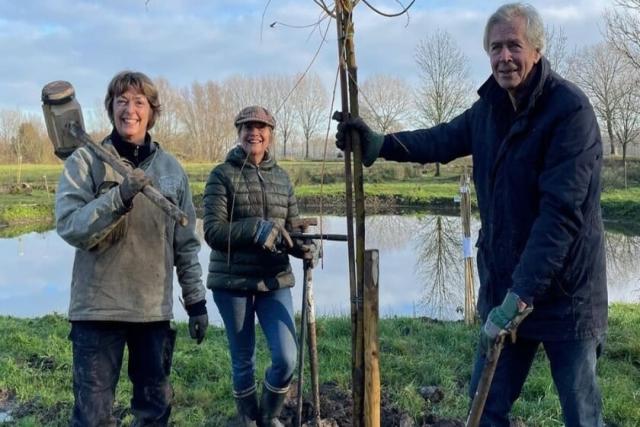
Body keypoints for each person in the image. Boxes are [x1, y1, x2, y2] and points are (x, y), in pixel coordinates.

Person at [335, 3, 607, 426]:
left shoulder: (569, 112)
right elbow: (440, 139)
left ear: (536, 49)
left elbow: (561, 217)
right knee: (485, 410)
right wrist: (381, 144)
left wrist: (520, 297)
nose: (504, 57)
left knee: (581, 413)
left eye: (513, 45)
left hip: (566, 296)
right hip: (505, 289)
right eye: (495, 48)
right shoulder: (490, 109)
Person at [55, 70, 209, 426]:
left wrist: (196, 302)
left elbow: (185, 246)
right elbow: (70, 226)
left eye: (139, 102)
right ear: (110, 109)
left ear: (152, 111)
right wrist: (118, 196)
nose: (130, 109)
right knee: (92, 418)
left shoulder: (172, 171)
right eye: (121, 101)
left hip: (152, 312)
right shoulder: (85, 162)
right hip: (96, 312)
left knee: (154, 413)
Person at [203, 106, 317, 427]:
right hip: (232, 283)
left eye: (261, 127)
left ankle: (269, 416)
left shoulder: (281, 178)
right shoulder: (221, 175)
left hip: (274, 281)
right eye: (247, 127)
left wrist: (304, 249)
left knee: (286, 358)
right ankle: (248, 419)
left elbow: (290, 232)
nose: (254, 132)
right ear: (238, 132)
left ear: (270, 134)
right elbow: (213, 232)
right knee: (244, 361)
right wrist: (254, 228)